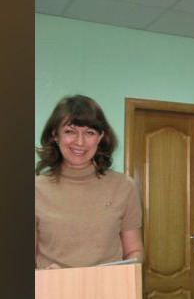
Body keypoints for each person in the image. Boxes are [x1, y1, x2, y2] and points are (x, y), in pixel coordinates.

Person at [35, 94, 143, 269]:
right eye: (70, 131)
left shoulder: (123, 186)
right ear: (55, 135)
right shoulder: (35, 189)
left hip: (108, 286)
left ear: (100, 137)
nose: (80, 142)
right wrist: (46, 276)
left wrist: (123, 268)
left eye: (89, 133)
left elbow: (134, 251)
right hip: (53, 286)